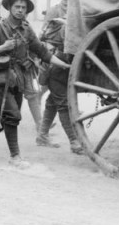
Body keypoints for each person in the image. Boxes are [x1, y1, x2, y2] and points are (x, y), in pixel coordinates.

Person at [0, 0, 71, 168]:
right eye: (17, 7)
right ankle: (15, 156)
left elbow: (42, 51)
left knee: (10, 117)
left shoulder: (26, 30)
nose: (20, 11)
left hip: (19, 79)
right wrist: (2, 47)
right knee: (12, 115)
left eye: (23, 8)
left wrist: (64, 66)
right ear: (10, 8)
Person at [35, 16, 84, 155]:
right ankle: (74, 142)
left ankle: (42, 136)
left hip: (60, 70)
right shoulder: (63, 27)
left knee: (53, 102)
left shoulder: (65, 25)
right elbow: (47, 49)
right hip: (55, 70)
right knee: (62, 104)